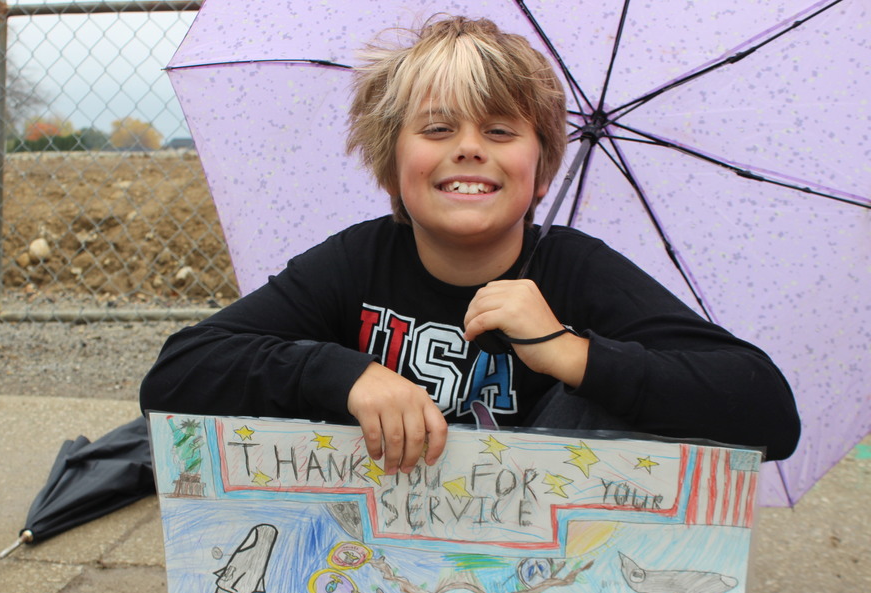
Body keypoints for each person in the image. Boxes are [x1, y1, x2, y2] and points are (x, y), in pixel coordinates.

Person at [140, 16, 800, 475]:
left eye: (501, 129)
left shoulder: (573, 268)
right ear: (390, 157)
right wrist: (342, 372)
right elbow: (174, 377)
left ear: (540, 167)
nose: (469, 146)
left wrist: (565, 350)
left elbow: (768, 411)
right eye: (436, 126)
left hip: (542, 569)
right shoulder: (355, 263)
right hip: (381, 556)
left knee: (603, 395)